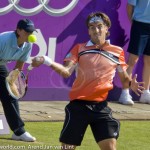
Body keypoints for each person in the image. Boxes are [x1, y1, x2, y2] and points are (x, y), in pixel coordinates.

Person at [32, 12, 144, 150]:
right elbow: (66, 72)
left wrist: (131, 83)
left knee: (110, 147)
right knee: (67, 148)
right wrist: (46, 60)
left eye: (99, 26)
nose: (96, 30)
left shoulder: (117, 51)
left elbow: (124, 79)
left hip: (101, 107)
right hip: (78, 106)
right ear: (88, 31)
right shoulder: (79, 48)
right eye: (92, 27)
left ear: (107, 28)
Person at [0, 19, 36, 142]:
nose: (30, 35)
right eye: (27, 32)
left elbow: (19, 65)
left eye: (31, 32)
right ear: (18, 30)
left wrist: (12, 84)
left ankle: (18, 132)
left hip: (1, 64)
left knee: (10, 95)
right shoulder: (3, 40)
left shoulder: (28, 44)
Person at [119, 0, 150, 105]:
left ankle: (145, 93)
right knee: (132, 60)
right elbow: (129, 7)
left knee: (149, 60)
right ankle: (125, 92)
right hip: (139, 25)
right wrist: (135, 24)